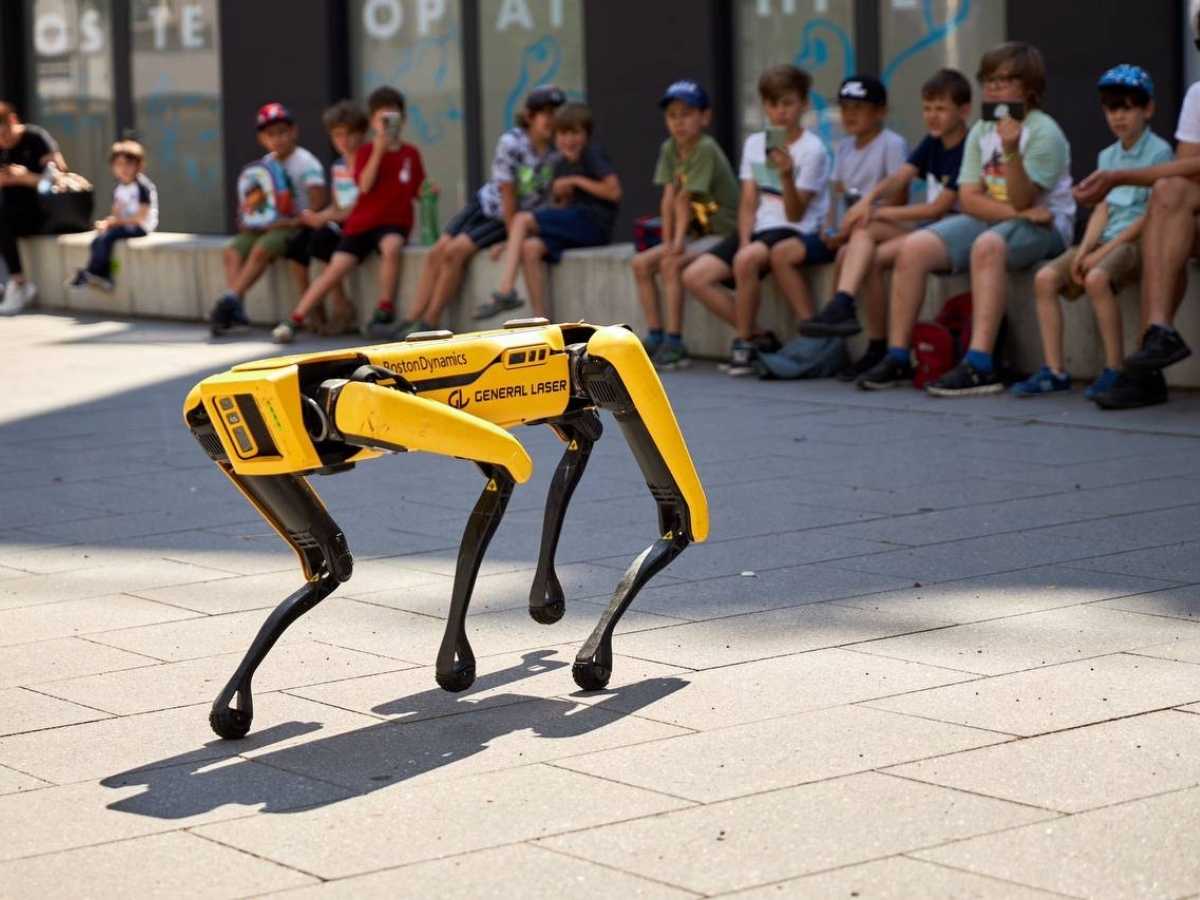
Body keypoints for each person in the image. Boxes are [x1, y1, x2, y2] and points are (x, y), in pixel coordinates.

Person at [868, 43, 1075, 395]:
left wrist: (1010, 151)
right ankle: (899, 355)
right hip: (1009, 217)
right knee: (915, 247)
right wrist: (1018, 212)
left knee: (988, 245)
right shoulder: (981, 129)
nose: (993, 87)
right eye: (989, 79)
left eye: (1004, 79)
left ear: (1028, 88)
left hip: (1048, 227)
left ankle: (980, 363)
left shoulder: (1044, 132)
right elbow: (969, 198)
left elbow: (1026, 199)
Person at [1012, 65, 1172, 402]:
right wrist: (1084, 249)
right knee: (1045, 278)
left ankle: (1114, 369)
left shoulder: (1160, 153)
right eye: (1112, 108)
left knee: (1097, 277)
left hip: (1137, 241)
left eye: (1128, 107)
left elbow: (1151, 216)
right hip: (1103, 240)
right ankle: (1054, 370)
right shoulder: (1107, 156)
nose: (1119, 117)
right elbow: (1102, 208)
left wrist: (1100, 254)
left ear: (1148, 109)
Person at [801, 71, 971, 387]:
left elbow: (938, 207)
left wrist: (876, 209)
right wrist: (869, 202)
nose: (932, 116)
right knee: (865, 251)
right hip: (932, 230)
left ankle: (850, 312)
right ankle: (879, 345)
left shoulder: (968, 144)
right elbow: (899, 178)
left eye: (940, 109)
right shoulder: (932, 142)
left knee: (867, 233)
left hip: (957, 229)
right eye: (927, 108)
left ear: (964, 111)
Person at [1073, 11, 1200, 408]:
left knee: (1165, 201)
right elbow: (1188, 168)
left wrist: (1122, 178)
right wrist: (1117, 179)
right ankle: (1158, 336)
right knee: (1168, 192)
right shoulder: (1198, 94)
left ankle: (1146, 367)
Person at [680, 64, 830, 376]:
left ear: (803, 104)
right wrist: (746, 239)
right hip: (760, 230)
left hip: (794, 229)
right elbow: (749, 200)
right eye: (773, 104)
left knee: (746, 259)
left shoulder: (813, 149)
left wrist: (787, 175)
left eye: (788, 103)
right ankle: (759, 336)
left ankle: (744, 342)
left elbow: (796, 213)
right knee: (695, 276)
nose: (780, 112)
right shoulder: (754, 144)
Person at [388, 86, 564, 336]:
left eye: (556, 113)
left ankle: (430, 321)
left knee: (454, 252)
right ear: (529, 116)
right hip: (490, 206)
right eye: (545, 113)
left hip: (510, 220)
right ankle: (410, 319)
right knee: (437, 251)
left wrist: (510, 237)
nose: (552, 120)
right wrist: (512, 233)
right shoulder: (513, 143)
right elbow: (507, 193)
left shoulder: (558, 152)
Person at [274, 87, 424, 344]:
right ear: (373, 122)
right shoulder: (366, 153)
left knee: (391, 247)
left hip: (393, 222)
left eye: (393, 118)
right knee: (335, 268)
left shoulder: (410, 154)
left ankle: (384, 307)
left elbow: (418, 188)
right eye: (381, 119)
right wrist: (378, 149)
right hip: (362, 223)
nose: (387, 125)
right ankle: (296, 318)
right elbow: (364, 184)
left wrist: (429, 190)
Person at [788, 75, 908, 381]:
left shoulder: (891, 144)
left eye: (859, 107)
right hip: (857, 234)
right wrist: (830, 229)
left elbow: (898, 202)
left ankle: (842, 304)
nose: (850, 114)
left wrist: (849, 228)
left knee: (861, 236)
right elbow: (836, 198)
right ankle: (872, 347)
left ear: (880, 111)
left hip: (892, 226)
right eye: (844, 107)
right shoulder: (843, 149)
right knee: (851, 255)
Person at [476, 102, 620, 322]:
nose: (569, 140)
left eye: (575, 133)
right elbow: (559, 210)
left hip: (593, 224)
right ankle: (542, 321)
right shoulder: (560, 163)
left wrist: (576, 181)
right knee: (530, 248)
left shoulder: (591, 154)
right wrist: (509, 243)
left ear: (586, 134)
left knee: (522, 219)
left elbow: (613, 191)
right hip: (574, 225)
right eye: (562, 133)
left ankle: (506, 290)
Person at [632, 80, 739, 370]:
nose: (679, 122)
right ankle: (655, 335)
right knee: (641, 264)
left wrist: (676, 245)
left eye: (687, 113)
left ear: (705, 117)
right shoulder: (670, 148)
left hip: (722, 231)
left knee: (670, 264)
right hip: (693, 232)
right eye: (672, 115)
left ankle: (675, 341)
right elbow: (668, 198)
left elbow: (685, 198)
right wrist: (669, 242)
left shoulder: (706, 148)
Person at [209, 102, 328, 336]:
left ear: (293, 132)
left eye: (282, 132)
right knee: (233, 251)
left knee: (262, 248)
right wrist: (249, 218)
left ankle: (230, 299)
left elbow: (318, 204)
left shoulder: (307, 162)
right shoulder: (265, 165)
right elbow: (256, 201)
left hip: (296, 227)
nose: (278, 139)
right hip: (268, 226)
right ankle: (236, 307)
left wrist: (291, 222)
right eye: (270, 134)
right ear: (262, 138)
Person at [283, 100, 369, 338]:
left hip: (360, 225)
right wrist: (318, 216)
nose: (344, 141)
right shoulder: (338, 166)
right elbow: (338, 204)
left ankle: (341, 307)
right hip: (340, 221)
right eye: (337, 135)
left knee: (323, 238)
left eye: (349, 134)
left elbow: (361, 205)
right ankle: (315, 309)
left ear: (361, 134)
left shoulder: (368, 162)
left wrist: (324, 218)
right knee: (298, 243)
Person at [0, 101, 67, 316]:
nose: (4, 142)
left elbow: (59, 180)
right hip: (10, 213)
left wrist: (25, 177)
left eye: (5, 135)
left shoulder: (36, 139)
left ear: (13, 121)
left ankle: (19, 284)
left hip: (41, 212)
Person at [66, 140, 158, 292]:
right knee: (98, 240)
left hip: (140, 227)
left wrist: (115, 223)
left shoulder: (142, 187)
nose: (124, 169)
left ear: (138, 166)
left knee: (108, 237)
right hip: (124, 225)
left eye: (128, 164)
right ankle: (103, 276)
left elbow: (140, 218)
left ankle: (92, 273)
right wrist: (107, 223)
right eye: (119, 164)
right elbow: (116, 214)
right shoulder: (119, 188)